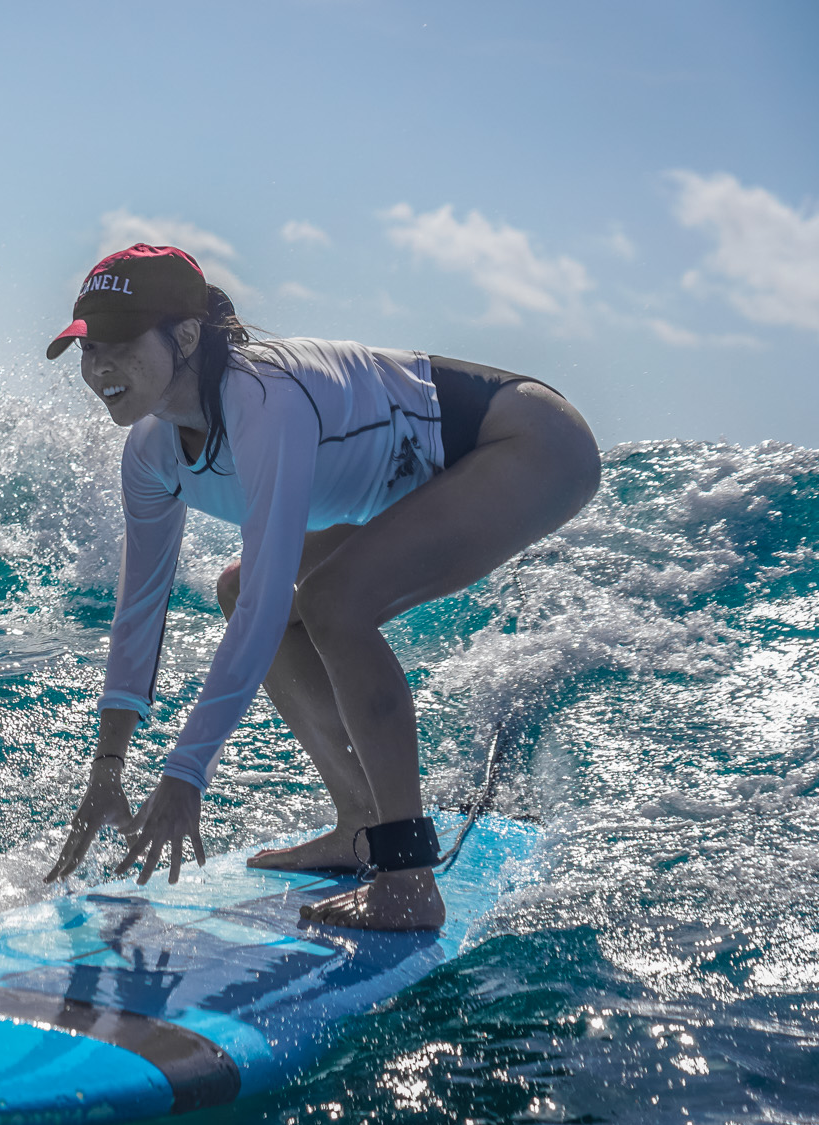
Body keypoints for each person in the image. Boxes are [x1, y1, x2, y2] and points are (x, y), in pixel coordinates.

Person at [40, 244, 600, 929]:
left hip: (528, 441)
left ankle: (407, 877)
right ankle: (361, 820)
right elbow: (139, 612)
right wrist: (108, 767)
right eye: (88, 348)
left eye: (120, 345)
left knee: (334, 601)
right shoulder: (151, 454)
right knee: (235, 588)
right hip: (419, 481)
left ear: (184, 337)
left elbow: (271, 602)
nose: (99, 367)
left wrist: (186, 772)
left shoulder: (263, 399)